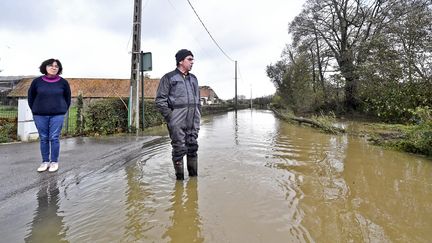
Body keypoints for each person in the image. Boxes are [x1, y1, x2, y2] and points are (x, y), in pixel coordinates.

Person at [155, 49, 201, 180]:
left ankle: (193, 180)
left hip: (193, 120)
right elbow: (160, 100)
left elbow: (197, 100)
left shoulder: (194, 79)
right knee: (179, 149)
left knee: (192, 147)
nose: (193, 62)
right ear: (181, 61)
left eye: (193, 59)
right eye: (190, 59)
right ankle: (179, 181)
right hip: (177, 120)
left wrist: (198, 114)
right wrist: (171, 117)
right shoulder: (169, 78)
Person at [28, 58, 71, 172]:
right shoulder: (37, 82)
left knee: (54, 137)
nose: (53, 68)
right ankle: (45, 162)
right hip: (40, 115)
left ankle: (54, 162)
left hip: (57, 115)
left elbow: (67, 98)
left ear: (59, 69)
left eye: (56, 66)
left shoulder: (63, 83)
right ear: (45, 68)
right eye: (51, 65)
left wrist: (63, 110)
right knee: (43, 138)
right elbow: (31, 97)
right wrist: (35, 110)